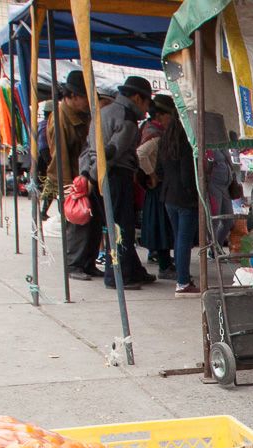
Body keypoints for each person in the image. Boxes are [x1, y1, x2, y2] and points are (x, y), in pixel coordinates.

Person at [79, 75, 156, 290]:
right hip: (115, 175)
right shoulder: (126, 119)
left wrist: (88, 174)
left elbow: (89, 149)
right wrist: (93, 176)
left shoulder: (103, 112)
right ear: (137, 98)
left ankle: (133, 270)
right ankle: (118, 276)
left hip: (101, 174)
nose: (147, 110)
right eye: (147, 103)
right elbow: (111, 152)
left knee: (117, 226)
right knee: (121, 228)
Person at [50, 70, 96, 280]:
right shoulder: (60, 118)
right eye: (85, 97)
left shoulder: (80, 115)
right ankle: (73, 264)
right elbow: (59, 158)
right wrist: (68, 187)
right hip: (72, 180)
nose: (88, 102)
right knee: (77, 223)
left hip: (84, 178)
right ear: (73, 96)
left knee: (90, 222)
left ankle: (87, 262)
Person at [158, 105, 199, 296]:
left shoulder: (165, 140)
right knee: (184, 240)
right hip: (185, 198)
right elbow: (187, 174)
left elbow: (159, 170)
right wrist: (194, 192)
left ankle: (183, 277)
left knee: (179, 238)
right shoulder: (186, 141)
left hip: (169, 195)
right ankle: (183, 282)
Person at [138, 94, 177, 276]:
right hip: (158, 186)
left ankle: (161, 259)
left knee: (160, 226)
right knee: (161, 227)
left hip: (158, 186)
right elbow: (140, 154)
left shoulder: (150, 129)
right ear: (160, 115)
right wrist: (151, 174)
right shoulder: (155, 135)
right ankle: (164, 265)